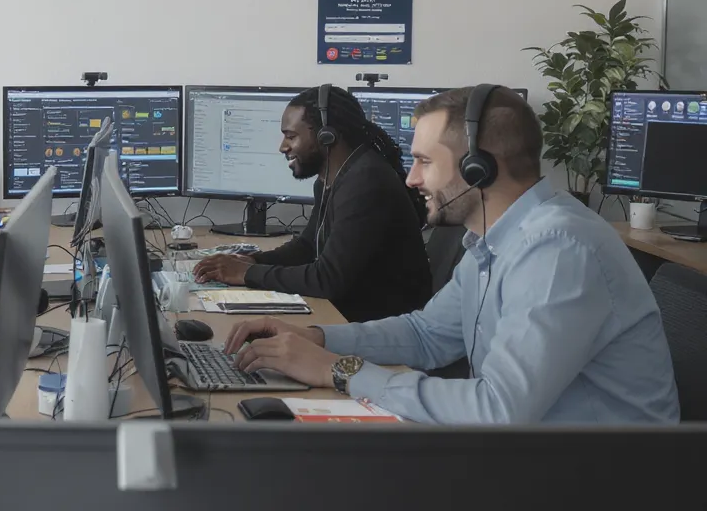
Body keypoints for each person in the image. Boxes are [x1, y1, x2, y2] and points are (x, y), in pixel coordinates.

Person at [224, 85, 680, 424]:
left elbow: (499, 408)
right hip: (537, 458)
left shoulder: (558, 249)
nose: (410, 179)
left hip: (600, 478)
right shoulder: (493, 241)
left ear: (476, 168)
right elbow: (427, 336)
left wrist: (340, 371)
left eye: (424, 161)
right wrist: (319, 339)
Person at [193, 85, 432, 322]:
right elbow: (308, 246)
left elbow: (327, 280)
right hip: (350, 312)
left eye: (291, 136)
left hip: (380, 326)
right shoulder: (333, 178)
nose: (282, 147)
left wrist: (247, 274)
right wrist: (255, 261)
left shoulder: (366, 182)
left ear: (325, 136)